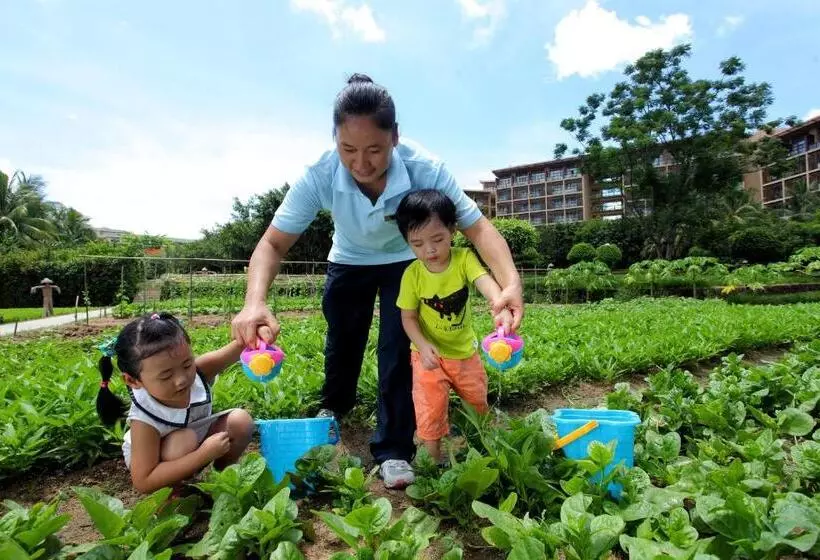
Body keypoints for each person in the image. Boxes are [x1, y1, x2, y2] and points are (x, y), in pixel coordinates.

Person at [231, 73, 523, 489]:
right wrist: (254, 300)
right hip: (348, 259)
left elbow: (478, 229)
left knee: (396, 347)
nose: (362, 163)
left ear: (396, 138)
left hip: (405, 261)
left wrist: (509, 281)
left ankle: (393, 448)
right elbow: (272, 245)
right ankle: (334, 407)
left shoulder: (425, 168)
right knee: (344, 338)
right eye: (348, 149)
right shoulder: (319, 174)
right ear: (334, 139)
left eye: (375, 149)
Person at [395, 189, 511, 463]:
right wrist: (423, 347)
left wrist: (500, 304)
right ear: (407, 242)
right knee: (429, 409)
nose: (430, 250)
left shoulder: (463, 259)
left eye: (437, 239)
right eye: (418, 243)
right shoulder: (412, 274)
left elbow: (484, 280)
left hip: (463, 353)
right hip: (426, 355)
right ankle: (434, 464)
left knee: (477, 402)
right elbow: (408, 318)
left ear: (452, 230)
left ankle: (482, 453)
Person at [96, 312, 254, 494]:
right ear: (133, 381)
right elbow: (143, 480)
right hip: (159, 462)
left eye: (187, 365)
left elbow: (240, 347)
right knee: (183, 439)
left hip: (196, 440)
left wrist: (259, 334)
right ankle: (173, 494)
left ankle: (222, 479)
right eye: (166, 375)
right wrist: (203, 454)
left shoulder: (200, 371)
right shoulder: (144, 419)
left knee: (240, 422)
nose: (181, 380)